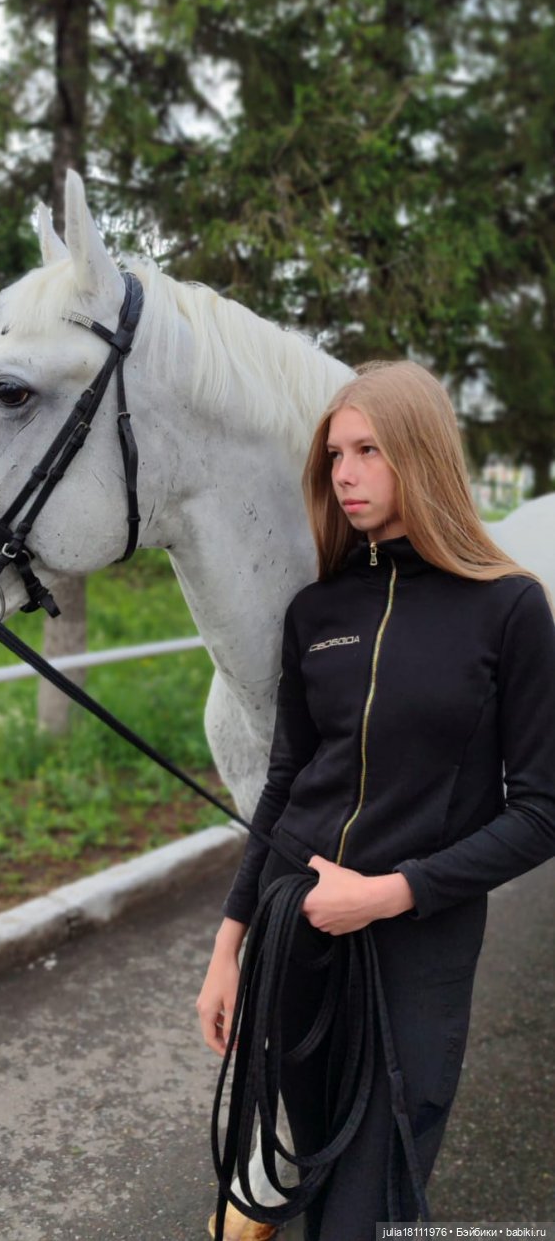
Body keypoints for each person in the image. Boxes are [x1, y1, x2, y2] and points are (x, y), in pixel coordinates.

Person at [196, 360, 555, 1241]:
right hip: (295, 935)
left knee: (376, 1196)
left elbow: (543, 810)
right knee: (312, 1167)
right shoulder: (316, 612)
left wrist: (390, 893)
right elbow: (284, 784)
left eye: (368, 451)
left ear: (421, 456)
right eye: (334, 457)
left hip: (415, 945)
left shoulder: (508, 609)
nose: (345, 475)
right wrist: (229, 943)